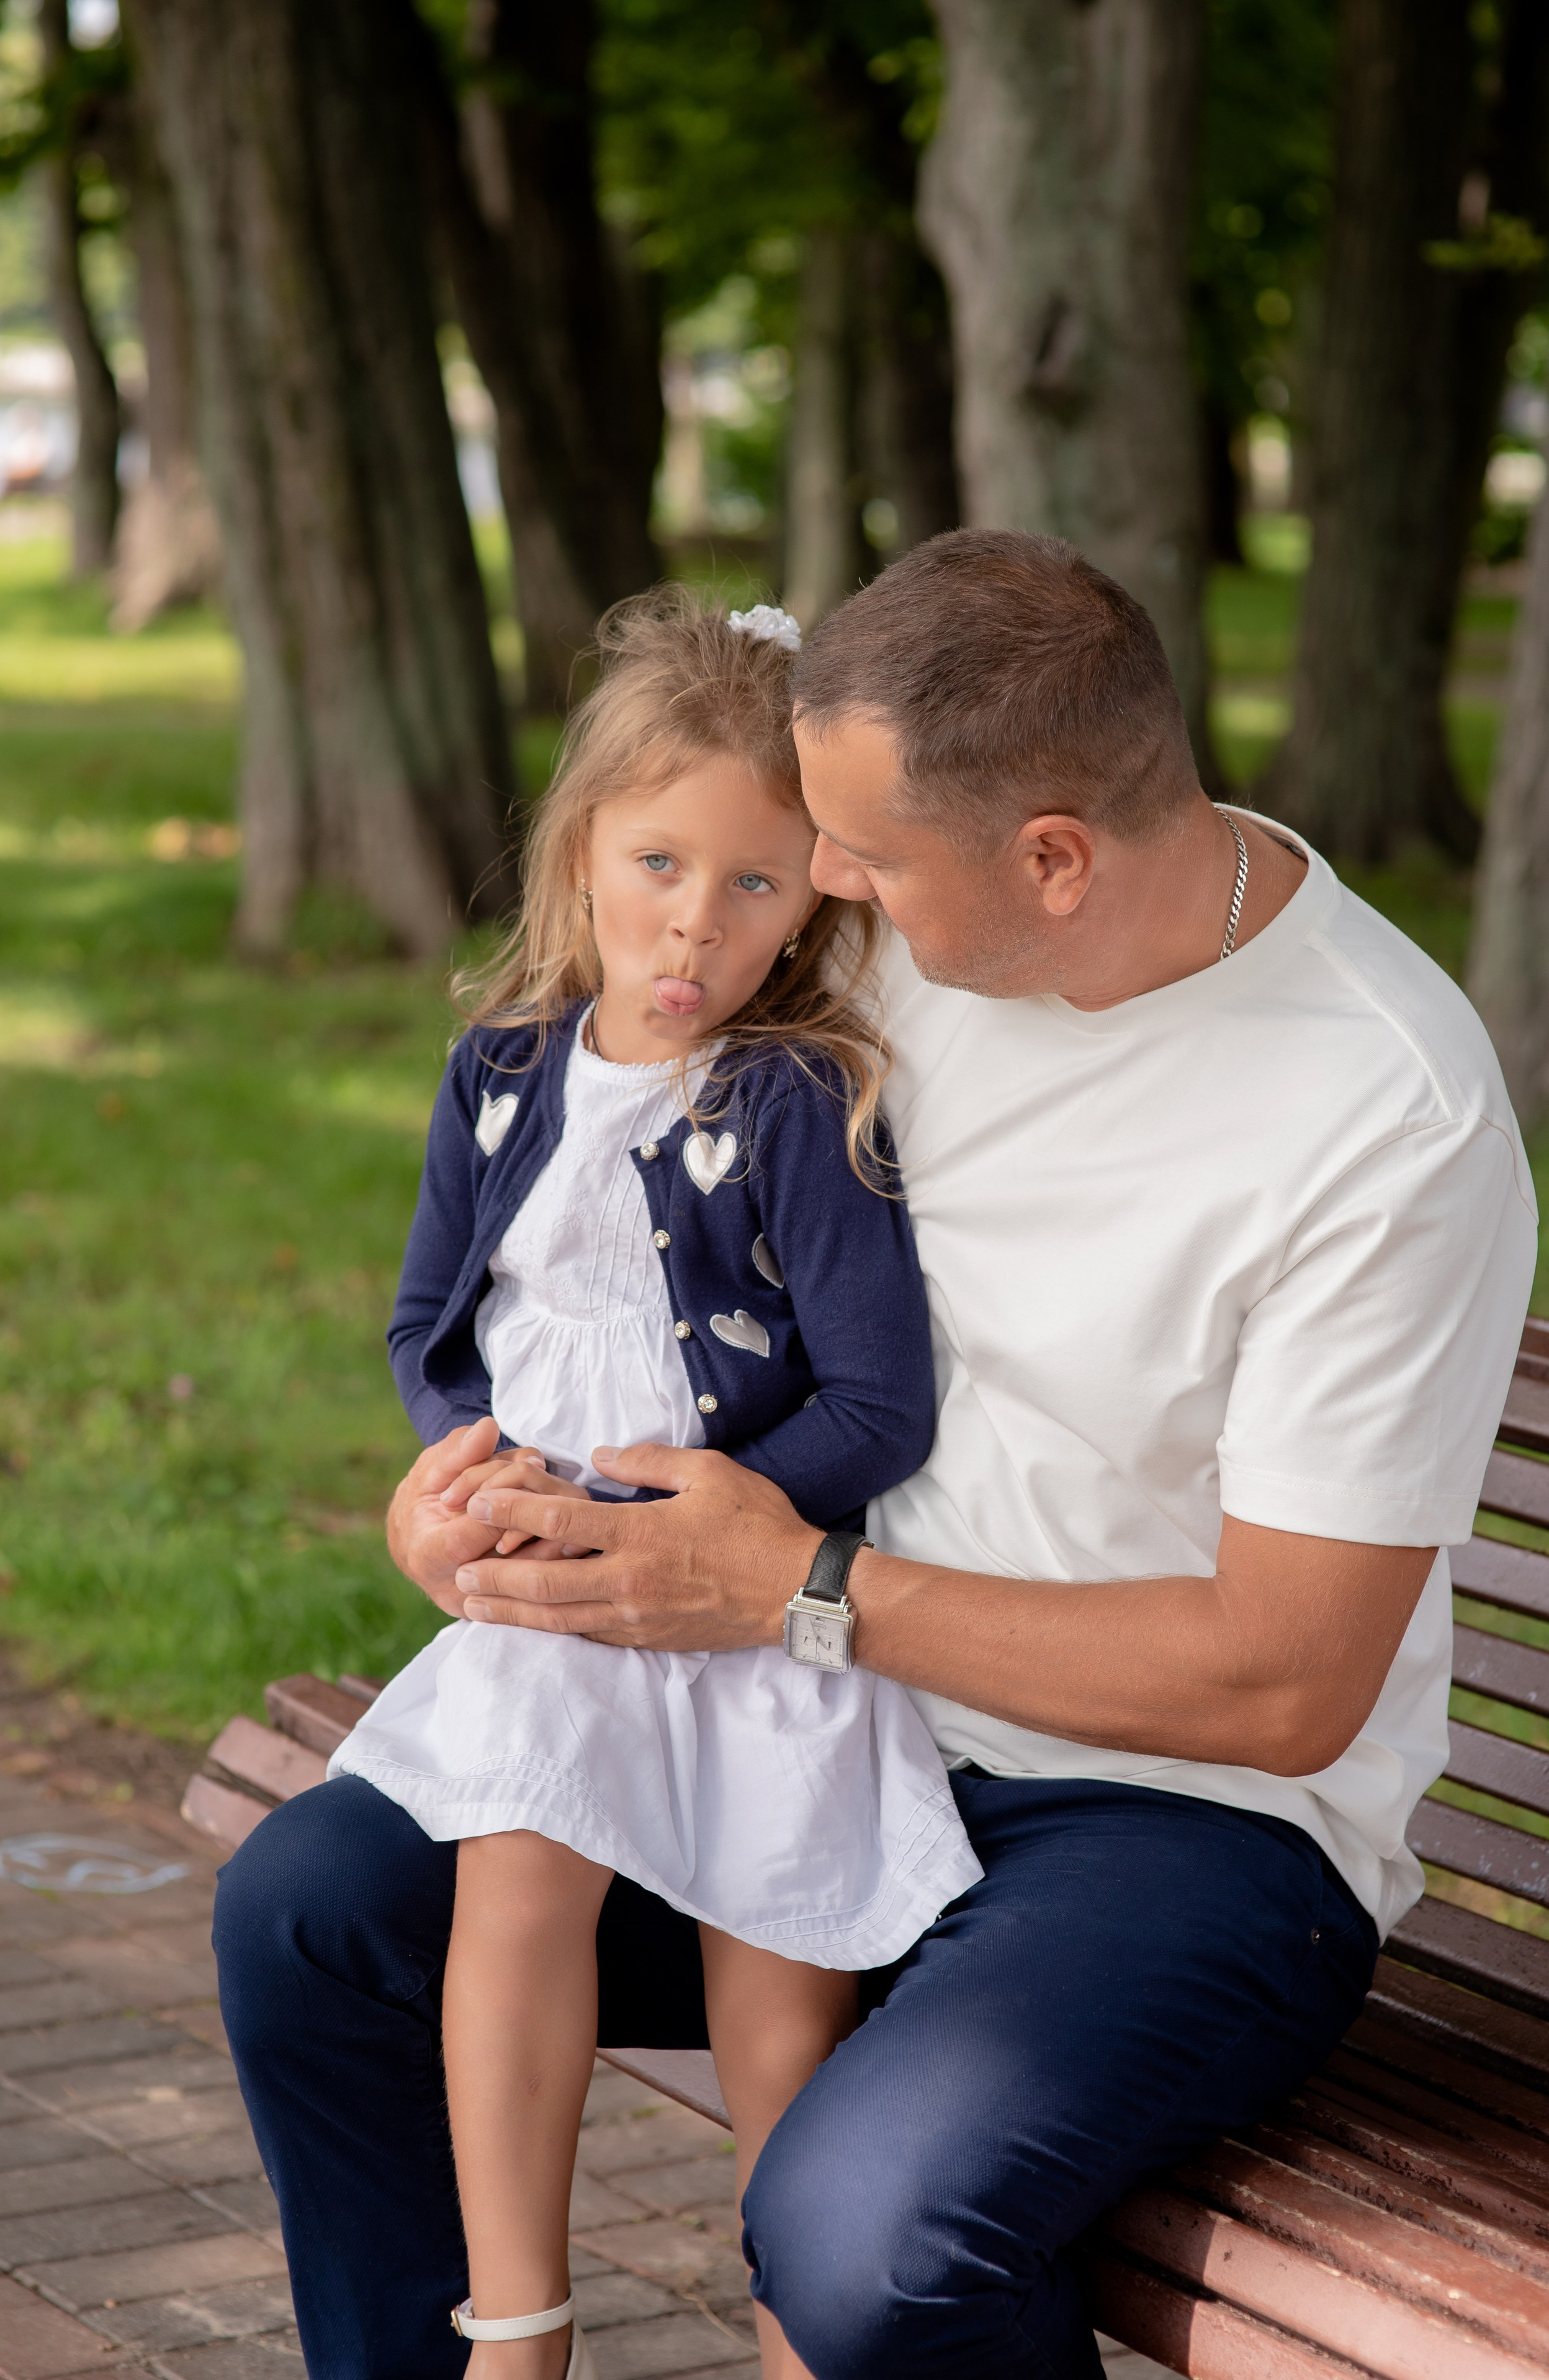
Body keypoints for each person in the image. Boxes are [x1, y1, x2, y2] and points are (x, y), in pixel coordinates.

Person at [215, 531, 1537, 2380]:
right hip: (812, 1720)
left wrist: (801, 1590)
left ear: (1053, 858)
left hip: (1174, 1825)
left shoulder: (1380, 1111)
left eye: (865, 856)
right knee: (312, 1917)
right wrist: (470, 1500)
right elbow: (597, 1210)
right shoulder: (890, 936)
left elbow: (1289, 1681)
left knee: (871, 2238)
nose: (823, 884)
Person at [322, 589, 978, 2380]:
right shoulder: (499, 1074)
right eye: (661, 862)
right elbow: (432, 1323)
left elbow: (880, 1404)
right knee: (514, 1895)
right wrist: (465, 1471)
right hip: (556, 1602)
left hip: (753, 1609)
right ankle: (518, 2330)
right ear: (582, 850)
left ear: (815, 899)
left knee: (780, 2005)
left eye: (754, 881)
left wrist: (705, 1527)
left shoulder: (801, 1100)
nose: (697, 920)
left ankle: (794, 2339)